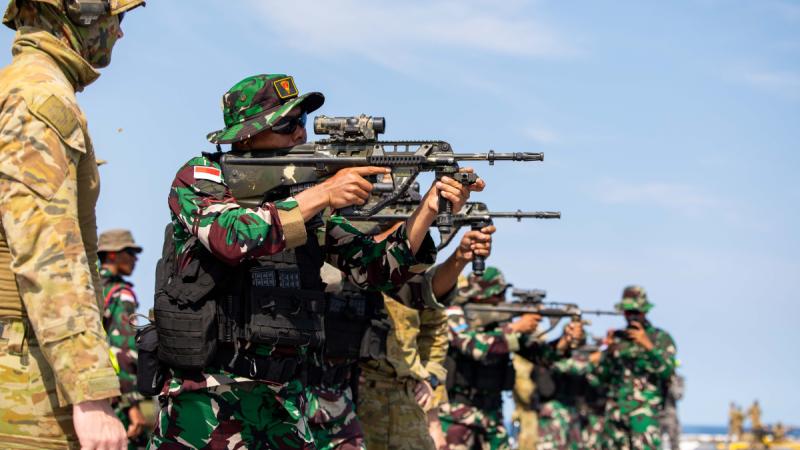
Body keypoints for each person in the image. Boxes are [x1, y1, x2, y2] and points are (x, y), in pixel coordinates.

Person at [148, 73, 481, 448]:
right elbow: (231, 237)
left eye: (303, 123)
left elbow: (374, 267)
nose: (300, 135)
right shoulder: (201, 176)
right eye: (288, 124)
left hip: (286, 400)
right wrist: (322, 194)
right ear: (246, 135)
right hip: (208, 395)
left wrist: (428, 211)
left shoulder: (305, 201)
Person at [0, 0, 144, 448]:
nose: (119, 33)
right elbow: (47, 249)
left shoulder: (19, 88)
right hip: (25, 371)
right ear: (81, 12)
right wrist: (91, 393)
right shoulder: (39, 98)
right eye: (116, 18)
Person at [358, 224, 495, 450]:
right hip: (356, 394)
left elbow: (435, 329)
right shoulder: (352, 259)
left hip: (405, 396)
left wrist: (431, 377)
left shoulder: (412, 274)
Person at [440, 268, 582, 450]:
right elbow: (474, 347)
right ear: (478, 296)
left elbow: (541, 355)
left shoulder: (503, 322)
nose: (502, 300)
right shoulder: (455, 314)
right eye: (497, 296)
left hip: (492, 415)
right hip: (457, 415)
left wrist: (566, 341)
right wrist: (515, 328)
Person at [588, 285, 676, 450]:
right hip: (615, 414)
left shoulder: (660, 338)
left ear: (645, 311)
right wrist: (607, 352)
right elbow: (600, 378)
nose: (632, 317)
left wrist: (648, 346)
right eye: (629, 313)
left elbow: (668, 372)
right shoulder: (618, 339)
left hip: (644, 416)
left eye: (637, 312)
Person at [98, 229, 148, 448]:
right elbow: (124, 352)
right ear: (111, 255)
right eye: (129, 251)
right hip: (118, 398)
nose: (135, 258)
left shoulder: (91, 286)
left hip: (93, 392)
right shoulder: (121, 293)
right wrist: (132, 405)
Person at [658, 372, 683, 450]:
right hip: (657, 415)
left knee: (675, 443)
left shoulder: (678, 379)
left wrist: (672, 383)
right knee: (657, 442)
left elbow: (678, 396)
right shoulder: (657, 379)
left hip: (670, 416)